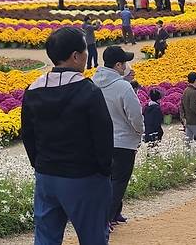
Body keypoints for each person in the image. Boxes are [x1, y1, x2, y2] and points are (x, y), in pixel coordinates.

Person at [21, 27, 113, 245]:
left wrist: (39, 164)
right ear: (75, 56)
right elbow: (103, 135)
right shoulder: (87, 91)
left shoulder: (33, 90)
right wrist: (104, 170)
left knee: (46, 237)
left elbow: (28, 135)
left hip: (47, 176)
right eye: (84, 51)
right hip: (84, 177)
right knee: (93, 237)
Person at [92, 46, 144, 227]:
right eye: (124, 63)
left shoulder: (93, 83)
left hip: (100, 141)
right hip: (123, 142)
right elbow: (135, 116)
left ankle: (115, 213)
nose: (126, 66)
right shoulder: (123, 86)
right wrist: (139, 132)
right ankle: (105, 218)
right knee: (119, 182)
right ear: (118, 65)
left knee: (105, 180)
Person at [180, 72, 196, 141]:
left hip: (188, 120)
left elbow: (181, 105)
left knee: (188, 141)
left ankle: (187, 152)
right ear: (195, 80)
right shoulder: (193, 92)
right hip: (195, 121)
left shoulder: (186, 90)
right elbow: (193, 107)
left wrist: (183, 117)